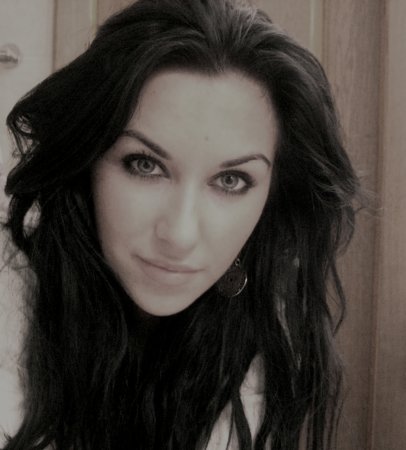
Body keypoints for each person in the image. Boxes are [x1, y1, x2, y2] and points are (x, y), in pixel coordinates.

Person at [0, 0, 362, 448]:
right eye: (144, 164)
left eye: (231, 180)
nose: (179, 234)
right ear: (87, 160)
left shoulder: (261, 342)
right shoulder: (10, 300)